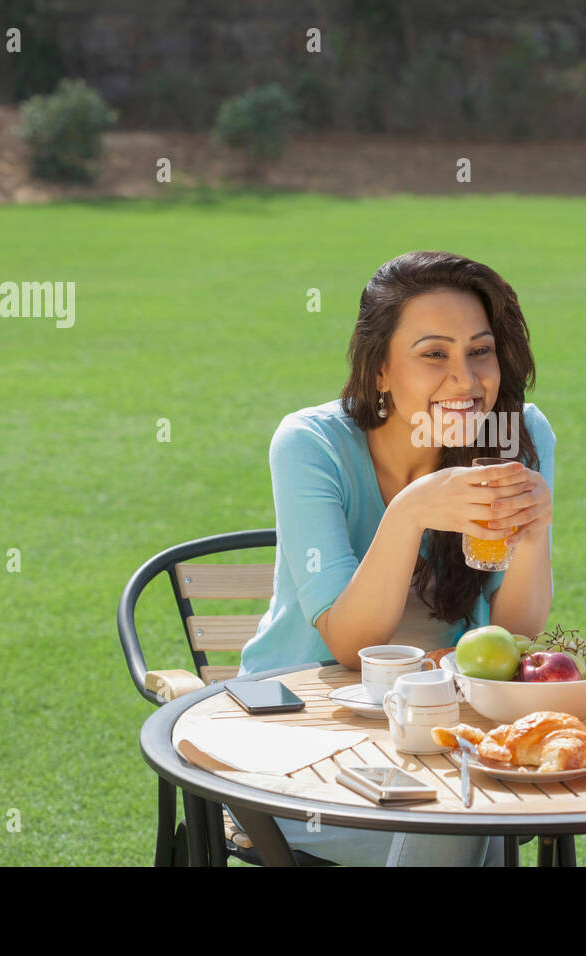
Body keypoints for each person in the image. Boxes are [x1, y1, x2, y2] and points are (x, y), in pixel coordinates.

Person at [237, 250, 556, 866]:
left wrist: (534, 531)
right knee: (465, 828)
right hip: (302, 740)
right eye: (434, 354)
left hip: (439, 730)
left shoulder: (520, 434)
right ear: (380, 369)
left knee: (476, 817)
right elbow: (349, 643)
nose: (465, 381)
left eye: (480, 351)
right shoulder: (311, 445)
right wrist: (410, 511)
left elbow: (514, 634)